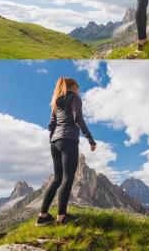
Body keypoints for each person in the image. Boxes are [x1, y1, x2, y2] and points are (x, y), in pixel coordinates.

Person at [36, 77, 96, 226]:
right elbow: (78, 118)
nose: (78, 90)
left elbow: (51, 124)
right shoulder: (75, 98)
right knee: (68, 178)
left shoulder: (56, 101)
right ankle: (61, 217)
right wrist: (90, 138)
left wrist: (53, 140)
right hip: (68, 140)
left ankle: (42, 217)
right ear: (74, 87)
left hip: (55, 142)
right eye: (78, 87)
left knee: (57, 178)